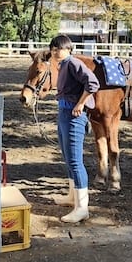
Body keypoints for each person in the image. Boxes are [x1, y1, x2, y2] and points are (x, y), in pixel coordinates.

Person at [49, 34, 99, 223]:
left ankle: (82, 207)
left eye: (59, 48)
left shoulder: (73, 63)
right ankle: (72, 196)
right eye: (53, 49)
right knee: (68, 157)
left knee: (76, 161)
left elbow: (93, 83)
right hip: (63, 112)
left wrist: (80, 104)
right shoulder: (62, 65)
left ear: (68, 49)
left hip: (74, 116)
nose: (55, 52)